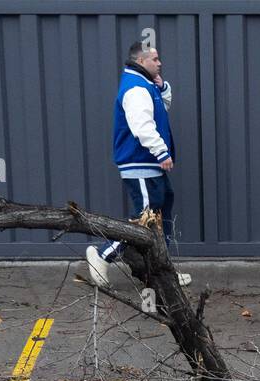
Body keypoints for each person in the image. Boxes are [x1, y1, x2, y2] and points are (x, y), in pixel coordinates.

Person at [86, 42, 191, 289]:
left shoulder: (145, 85)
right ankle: (101, 255)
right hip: (141, 163)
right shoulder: (135, 89)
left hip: (149, 165)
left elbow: (162, 109)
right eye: (155, 59)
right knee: (145, 222)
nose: (159, 62)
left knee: (160, 216)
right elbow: (142, 126)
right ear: (142, 61)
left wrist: (163, 88)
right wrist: (161, 151)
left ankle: (163, 274)